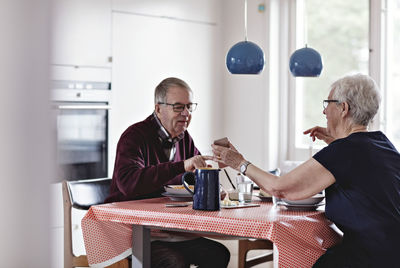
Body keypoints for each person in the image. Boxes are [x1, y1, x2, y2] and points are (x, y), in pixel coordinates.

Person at [212, 74, 400, 268]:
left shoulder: (343, 151)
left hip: (369, 257)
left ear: (343, 108)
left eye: (328, 103)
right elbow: (361, 168)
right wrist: (337, 141)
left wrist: (240, 163)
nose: (325, 111)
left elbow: (280, 189)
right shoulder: (382, 144)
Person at [106, 77, 230, 268]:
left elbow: (194, 173)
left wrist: (214, 183)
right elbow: (129, 184)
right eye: (178, 107)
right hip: (131, 233)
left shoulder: (184, 138)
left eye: (189, 106)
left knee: (218, 254)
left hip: (167, 230)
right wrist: (180, 166)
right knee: (173, 262)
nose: (186, 113)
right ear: (158, 109)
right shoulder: (134, 136)